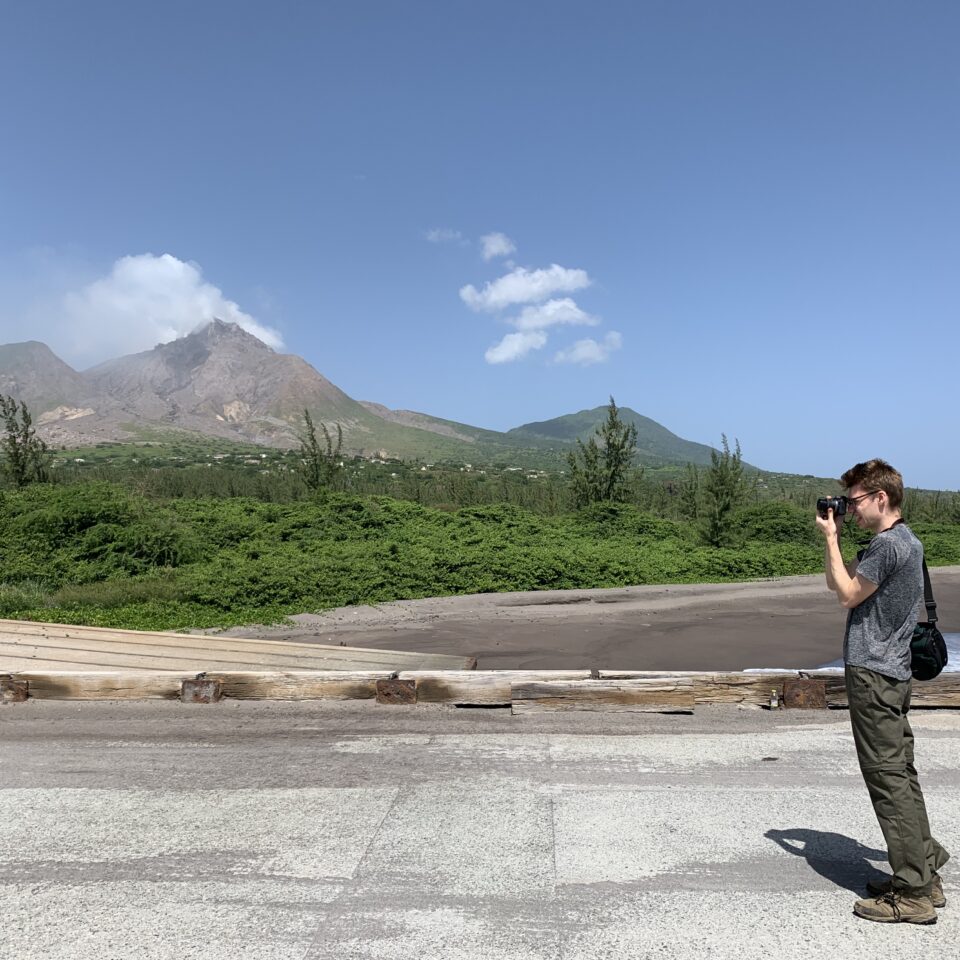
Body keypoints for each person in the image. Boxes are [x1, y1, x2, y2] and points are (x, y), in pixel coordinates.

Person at [816, 458, 949, 924]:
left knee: (887, 779)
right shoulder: (906, 541)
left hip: (875, 674)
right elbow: (850, 590)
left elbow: (847, 594)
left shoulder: (888, 546)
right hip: (893, 672)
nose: (848, 509)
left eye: (853, 501)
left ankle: (912, 892)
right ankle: (924, 873)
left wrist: (830, 539)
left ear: (880, 498)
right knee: (902, 772)